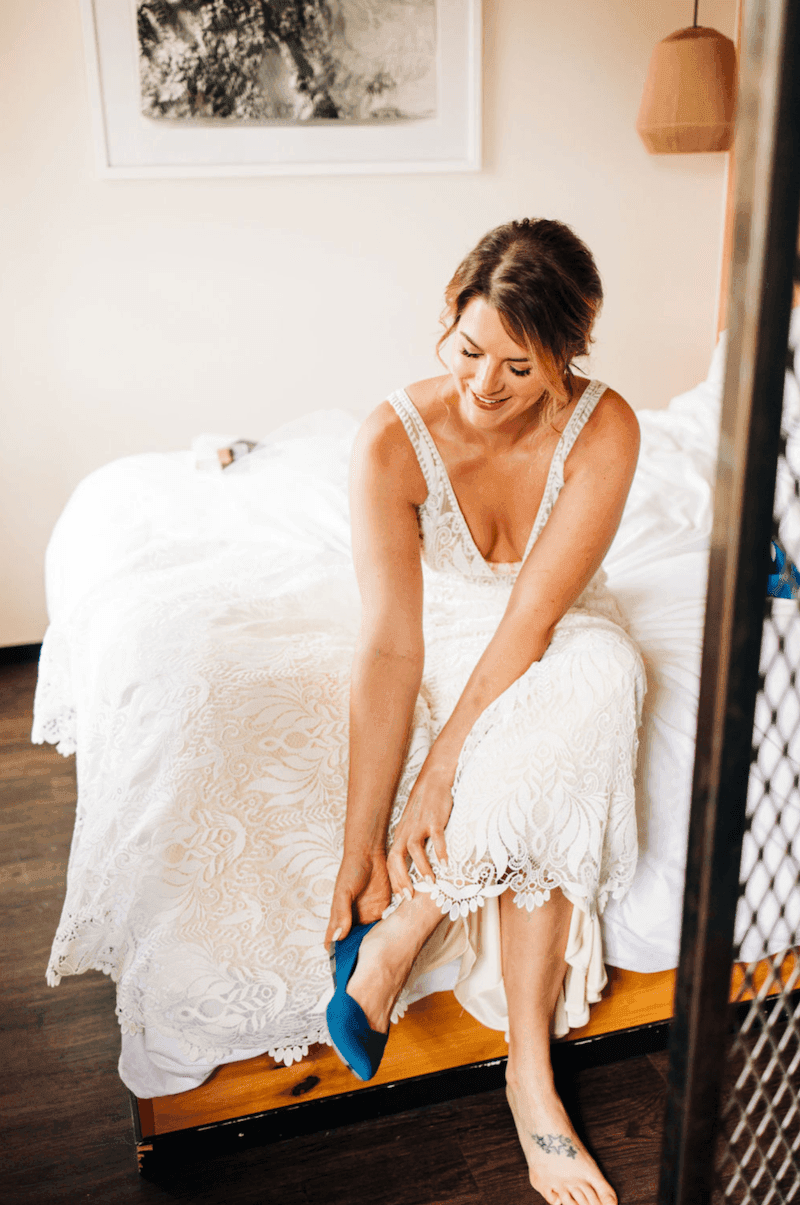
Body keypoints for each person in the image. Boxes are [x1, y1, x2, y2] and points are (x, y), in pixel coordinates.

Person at [323, 218, 645, 1205]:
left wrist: (442, 769)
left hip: (550, 628)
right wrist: (359, 839)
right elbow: (387, 643)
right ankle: (531, 1077)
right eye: (468, 351)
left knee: (602, 678)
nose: (484, 384)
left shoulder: (606, 426)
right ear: (445, 322)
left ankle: (402, 940)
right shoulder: (389, 438)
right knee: (555, 756)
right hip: (448, 635)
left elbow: (537, 621)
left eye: (519, 365)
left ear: (568, 354)